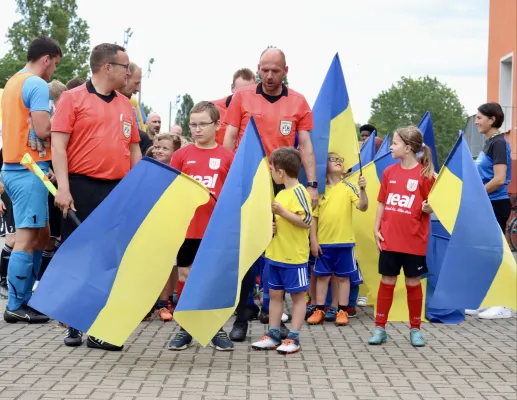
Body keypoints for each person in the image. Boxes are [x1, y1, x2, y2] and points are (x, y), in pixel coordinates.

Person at [51, 43, 142, 350]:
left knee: (109, 258)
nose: (128, 72)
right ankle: (74, 323)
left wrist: (139, 187)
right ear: (107, 67)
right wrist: (63, 188)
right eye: (125, 66)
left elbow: (133, 150)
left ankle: (101, 328)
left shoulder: (126, 104)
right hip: (80, 186)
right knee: (78, 255)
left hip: (117, 190)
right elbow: (58, 146)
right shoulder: (72, 99)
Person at [223, 47, 317, 342]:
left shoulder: (299, 102)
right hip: (248, 181)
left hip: (282, 182)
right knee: (248, 251)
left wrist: (312, 185)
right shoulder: (242, 97)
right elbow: (228, 137)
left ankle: (276, 320)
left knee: (282, 248)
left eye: (275, 70)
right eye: (264, 69)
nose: (269, 75)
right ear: (258, 68)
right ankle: (242, 316)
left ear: (285, 70)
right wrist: (224, 179)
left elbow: (305, 145)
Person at [1, 36, 62, 323]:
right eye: (55, 65)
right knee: (27, 239)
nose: (53, 73)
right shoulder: (36, 84)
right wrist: (63, 122)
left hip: (18, 167)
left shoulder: (14, 80)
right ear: (46, 58)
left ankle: (28, 300)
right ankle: (16, 304)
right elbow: (43, 126)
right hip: (29, 169)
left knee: (41, 235)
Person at [167, 101, 234, 351]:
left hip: (216, 231)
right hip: (188, 229)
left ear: (217, 125)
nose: (196, 129)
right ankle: (185, 327)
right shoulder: (181, 156)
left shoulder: (227, 157)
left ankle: (214, 327)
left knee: (213, 279)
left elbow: (235, 195)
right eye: (192, 125)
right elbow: (171, 191)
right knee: (185, 276)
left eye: (202, 124)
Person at [369, 126, 435, 347]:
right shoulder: (389, 172)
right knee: (387, 281)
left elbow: (434, 204)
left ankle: (415, 329)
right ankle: (380, 328)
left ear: (407, 148)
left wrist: (429, 208)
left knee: (412, 282)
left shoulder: (426, 175)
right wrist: (376, 228)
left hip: (414, 240)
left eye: (395, 143)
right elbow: (381, 202)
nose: (391, 146)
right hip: (390, 239)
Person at [251, 147, 312, 355]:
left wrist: (283, 213)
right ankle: (274, 334)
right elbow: (278, 222)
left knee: (297, 297)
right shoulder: (281, 194)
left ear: (281, 172)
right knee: (275, 295)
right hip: (274, 255)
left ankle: (293, 337)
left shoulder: (300, 192)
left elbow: (306, 221)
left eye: (272, 169)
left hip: (294, 257)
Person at [307, 153, 368, 326]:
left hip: (345, 242)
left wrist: (363, 190)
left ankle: (342, 311)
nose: (338, 162)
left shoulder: (349, 187)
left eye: (340, 160)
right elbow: (314, 217)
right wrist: (313, 240)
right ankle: (319, 309)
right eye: (332, 159)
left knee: (343, 278)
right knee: (322, 277)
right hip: (324, 243)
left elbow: (363, 206)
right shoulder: (319, 191)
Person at [466, 102, 513, 320]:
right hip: (486, 204)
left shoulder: (499, 144)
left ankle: (503, 303)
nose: (476, 121)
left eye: (479, 117)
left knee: (495, 252)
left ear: (492, 119)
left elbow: (500, 179)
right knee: (483, 254)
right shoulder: (490, 143)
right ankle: (486, 299)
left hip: (495, 204)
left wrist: (477, 194)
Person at [212, 68, 255, 145]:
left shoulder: (258, 111)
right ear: (232, 88)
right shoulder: (212, 108)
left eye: (249, 91)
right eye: (240, 91)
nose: (244, 95)